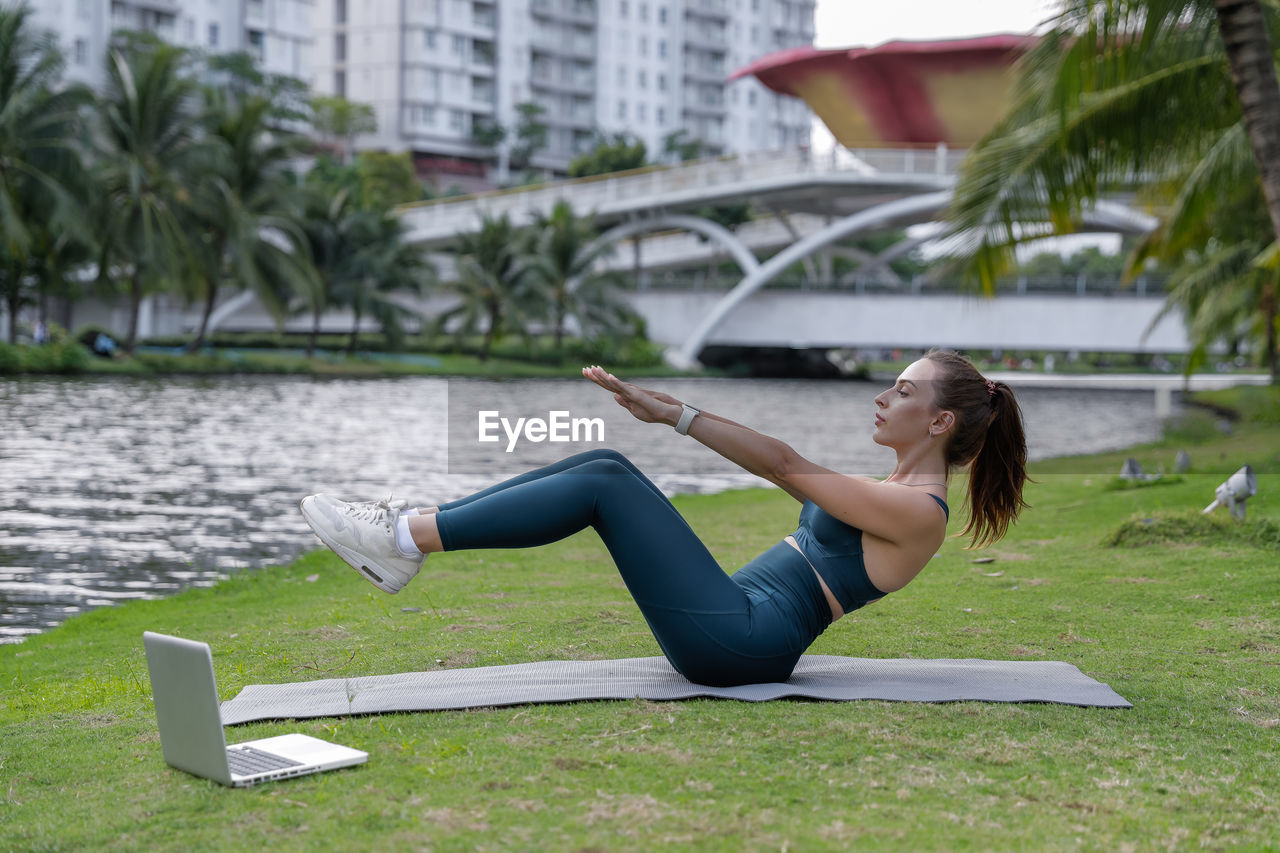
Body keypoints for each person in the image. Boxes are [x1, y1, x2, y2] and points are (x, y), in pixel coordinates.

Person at [300, 349, 1028, 687]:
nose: (882, 398)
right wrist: (668, 414)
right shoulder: (891, 488)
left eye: (900, 391)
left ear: (936, 419)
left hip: (742, 641)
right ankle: (410, 529)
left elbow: (781, 461)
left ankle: (400, 538)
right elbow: (784, 469)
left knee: (609, 482)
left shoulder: (918, 511)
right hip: (736, 623)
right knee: (603, 469)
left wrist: (677, 414)